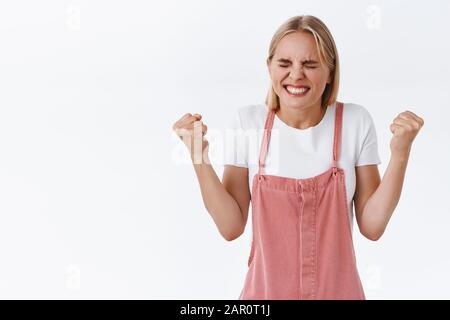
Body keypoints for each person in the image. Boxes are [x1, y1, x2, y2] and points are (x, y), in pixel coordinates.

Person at [172, 15, 424, 300]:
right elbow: (230, 227)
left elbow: (372, 226)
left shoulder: (355, 122)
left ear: (330, 71)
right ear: (269, 67)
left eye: (310, 64)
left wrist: (401, 152)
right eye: (284, 64)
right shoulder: (248, 123)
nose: (295, 75)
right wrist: (198, 155)